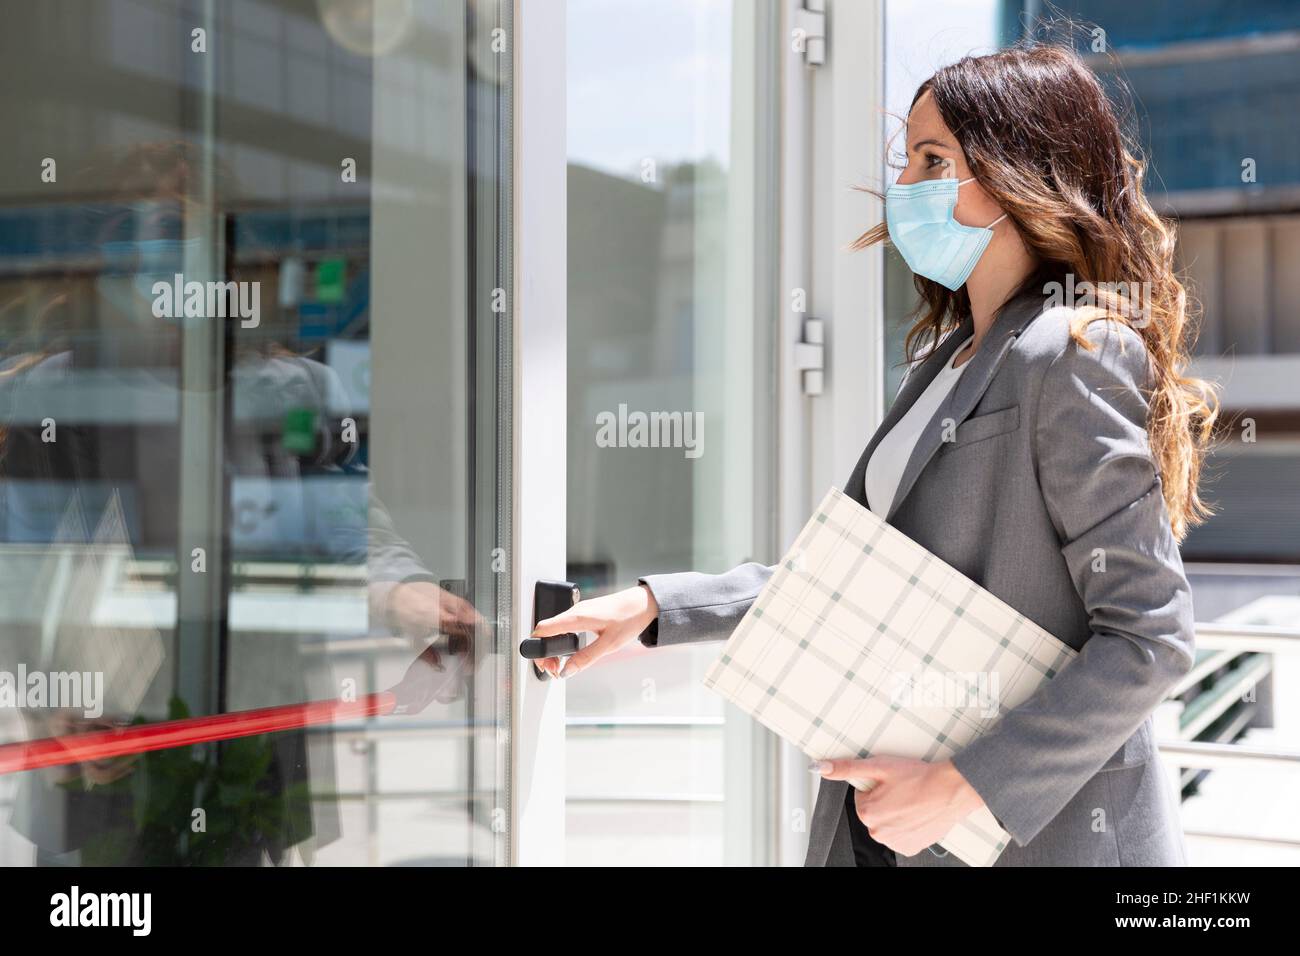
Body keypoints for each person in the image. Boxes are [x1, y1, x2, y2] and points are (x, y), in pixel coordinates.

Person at [531, 43, 1219, 867]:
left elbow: (1151, 634)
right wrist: (653, 608)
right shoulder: (950, 358)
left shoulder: (1073, 350)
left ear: (1019, 173)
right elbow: (850, 582)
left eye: (936, 160)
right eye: (907, 161)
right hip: (899, 831)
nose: (908, 186)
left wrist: (967, 786)